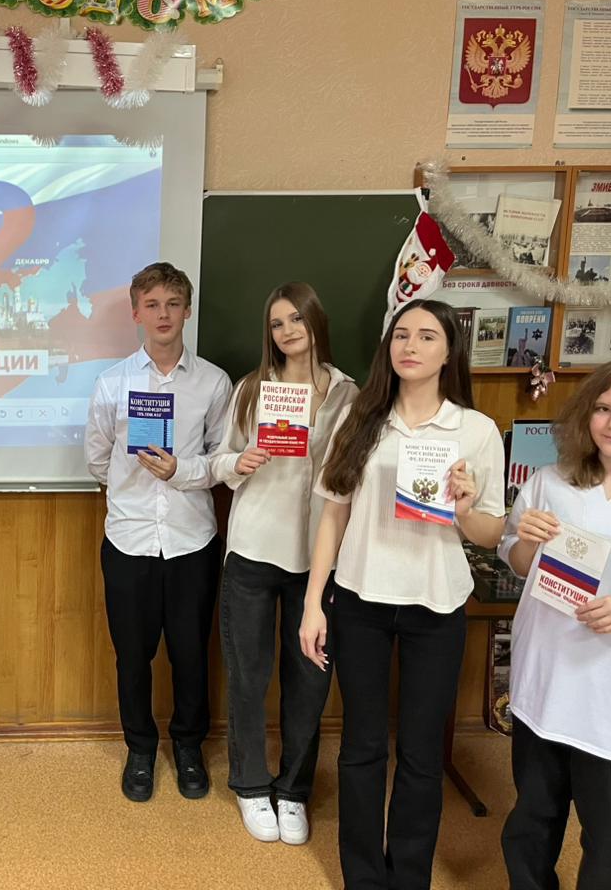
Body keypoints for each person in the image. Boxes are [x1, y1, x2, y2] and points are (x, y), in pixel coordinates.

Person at [299, 298, 505, 890]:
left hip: (436, 604)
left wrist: (464, 507)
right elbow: (333, 514)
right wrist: (314, 603)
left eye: (427, 336)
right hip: (360, 599)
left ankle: (409, 876)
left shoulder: (475, 430)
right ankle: (363, 877)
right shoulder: (359, 417)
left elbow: (491, 532)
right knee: (362, 746)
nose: (410, 346)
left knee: (420, 753)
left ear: (449, 352)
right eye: (401, 335)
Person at [498, 356, 611, 890]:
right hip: (546, 687)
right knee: (532, 826)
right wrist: (527, 541)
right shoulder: (551, 482)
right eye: (603, 408)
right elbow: (518, 561)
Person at [211, 283, 357, 844]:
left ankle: (293, 790)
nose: (288, 331)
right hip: (253, 549)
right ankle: (250, 785)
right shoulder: (252, 388)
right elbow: (220, 459)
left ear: (316, 321)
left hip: (317, 560)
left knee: (309, 680)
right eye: (277, 323)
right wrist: (240, 461)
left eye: (297, 318)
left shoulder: (348, 393)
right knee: (248, 677)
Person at [84, 262, 232, 802]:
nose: (163, 314)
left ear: (187, 310)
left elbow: (222, 460)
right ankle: (141, 749)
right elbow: (97, 459)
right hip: (129, 542)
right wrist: (136, 488)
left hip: (191, 541)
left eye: (173, 303)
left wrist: (180, 472)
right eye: (152, 305)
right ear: (136, 314)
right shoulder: (112, 383)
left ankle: (189, 746)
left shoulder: (214, 382)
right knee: (132, 656)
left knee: (191, 654)